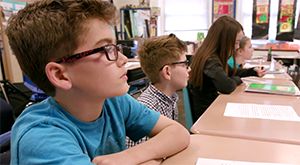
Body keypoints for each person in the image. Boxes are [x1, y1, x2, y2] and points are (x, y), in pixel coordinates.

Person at [5, 0, 190, 164]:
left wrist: (127, 157)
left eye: (117, 46)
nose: (123, 59)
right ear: (61, 75)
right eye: (106, 49)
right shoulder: (41, 137)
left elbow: (178, 133)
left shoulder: (113, 101)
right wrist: (154, 157)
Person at [188, 16, 266, 122]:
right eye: (235, 43)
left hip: (211, 109)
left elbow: (230, 71)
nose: (237, 47)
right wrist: (238, 80)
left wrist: (252, 71)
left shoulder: (212, 56)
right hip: (206, 116)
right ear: (223, 41)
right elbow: (227, 86)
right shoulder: (210, 60)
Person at [126, 34, 191, 148]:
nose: (189, 68)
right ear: (167, 72)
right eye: (185, 64)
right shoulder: (148, 108)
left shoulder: (170, 98)